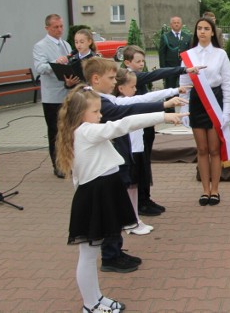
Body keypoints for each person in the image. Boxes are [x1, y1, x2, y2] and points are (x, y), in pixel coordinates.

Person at [56, 84, 184, 313]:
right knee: (87, 255)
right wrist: (163, 116)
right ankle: (89, 304)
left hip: (100, 192)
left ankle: (95, 297)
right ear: (79, 114)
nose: (100, 115)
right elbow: (123, 124)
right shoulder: (85, 131)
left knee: (91, 252)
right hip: (95, 196)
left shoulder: (84, 131)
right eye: (95, 112)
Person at [83, 57, 186, 274]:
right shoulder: (94, 102)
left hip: (110, 163)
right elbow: (127, 115)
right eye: (111, 78)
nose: (114, 82)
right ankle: (110, 256)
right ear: (95, 78)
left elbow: (129, 104)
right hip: (103, 168)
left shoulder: (102, 98)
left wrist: (164, 103)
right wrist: (162, 114)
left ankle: (114, 250)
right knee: (110, 211)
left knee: (115, 207)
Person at [122, 45, 202, 216]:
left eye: (143, 61)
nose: (142, 64)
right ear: (127, 62)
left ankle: (145, 198)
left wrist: (172, 92)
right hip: (138, 127)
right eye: (138, 61)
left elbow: (148, 97)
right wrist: (184, 70)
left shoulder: (136, 78)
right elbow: (156, 75)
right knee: (139, 164)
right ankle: (140, 202)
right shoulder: (132, 77)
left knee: (144, 163)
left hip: (146, 125)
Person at [113, 68, 187, 235]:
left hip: (137, 149)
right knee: (128, 186)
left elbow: (145, 99)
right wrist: (169, 100)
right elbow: (146, 98)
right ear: (121, 88)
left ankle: (133, 219)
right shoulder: (121, 102)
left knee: (134, 186)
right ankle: (128, 219)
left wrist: (174, 91)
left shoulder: (128, 100)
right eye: (132, 86)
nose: (134, 89)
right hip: (129, 151)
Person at [179, 16, 230, 206]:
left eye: (206, 28)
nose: (202, 31)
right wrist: (183, 109)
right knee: (201, 149)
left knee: (214, 149)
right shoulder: (187, 55)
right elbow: (184, 84)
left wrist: (227, 111)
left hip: (215, 100)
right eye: (199, 28)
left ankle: (215, 190)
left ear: (212, 32)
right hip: (196, 102)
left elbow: (228, 83)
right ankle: (205, 191)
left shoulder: (221, 54)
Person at [33, 14, 80, 178]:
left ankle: (70, 161)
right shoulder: (40, 46)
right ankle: (58, 166)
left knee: (69, 131)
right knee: (55, 132)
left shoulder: (66, 44)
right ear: (47, 28)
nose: (60, 30)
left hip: (68, 93)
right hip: (52, 97)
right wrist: (56, 63)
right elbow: (40, 68)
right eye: (55, 27)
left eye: (61, 26)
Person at [158, 16, 191, 89]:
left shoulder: (187, 37)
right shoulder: (165, 37)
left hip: (183, 67)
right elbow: (162, 54)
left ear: (181, 24)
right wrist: (163, 69)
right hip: (170, 68)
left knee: (184, 88)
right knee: (170, 88)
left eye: (178, 23)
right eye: (174, 23)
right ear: (171, 25)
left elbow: (190, 53)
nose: (176, 24)